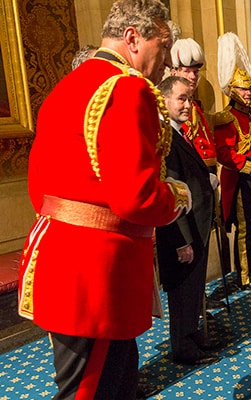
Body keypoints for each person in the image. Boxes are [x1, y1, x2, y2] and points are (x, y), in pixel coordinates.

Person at [17, 1, 191, 398]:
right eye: (162, 47)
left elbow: (36, 188)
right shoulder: (127, 88)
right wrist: (178, 195)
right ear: (132, 38)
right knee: (96, 388)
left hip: (57, 257)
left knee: (89, 381)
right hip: (98, 274)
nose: (166, 62)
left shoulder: (66, 86)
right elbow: (137, 198)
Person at [155, 76, 220, 366]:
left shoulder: (179, 133)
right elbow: (169, 189)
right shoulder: (165, 138)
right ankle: (182, 347)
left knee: (193, 290)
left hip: (197, 227)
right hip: (182, 232)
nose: (187, 105)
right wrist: (181, 241)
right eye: (181, 98)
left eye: (189, 99)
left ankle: (192, 336)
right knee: (182, 292)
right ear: (164, 100)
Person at [170, 37, 227, 311]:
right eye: (186, 70)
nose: (192, 76)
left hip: (205, 191)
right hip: (187, 197)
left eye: (196, 71)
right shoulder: (173, 109)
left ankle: (200, 299)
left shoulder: (198, 108)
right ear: (174, 71)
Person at [214, 32, 251, 290]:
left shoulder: (249, 115)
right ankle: (246, 275)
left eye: (249, 88)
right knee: (245, 227)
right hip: (238, 180)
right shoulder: (227, 117)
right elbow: (224, 154)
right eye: (243, 89)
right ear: (232, 90)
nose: (248, 93)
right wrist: (250, 166)